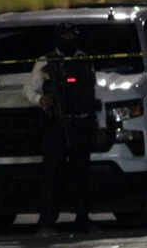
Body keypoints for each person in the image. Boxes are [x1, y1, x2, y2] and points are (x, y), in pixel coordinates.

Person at [23, 22, 100, 234]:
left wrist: (99, 124)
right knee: (52, 175)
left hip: (81, 123)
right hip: (56, 125)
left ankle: (82, 219)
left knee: (82, 175)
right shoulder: (45, 61)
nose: (68, 40)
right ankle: (47, 222)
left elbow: (95, 92)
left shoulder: (85, 60)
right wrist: (41, 99)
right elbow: (29, 89)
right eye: (64, 36)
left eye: (71, 35)